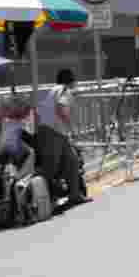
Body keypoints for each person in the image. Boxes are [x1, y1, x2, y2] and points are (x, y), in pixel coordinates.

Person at [35, 69, 86, 205]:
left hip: (53, 131)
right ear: (71, 81)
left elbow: (38, 111)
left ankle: (74, 195)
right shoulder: (65, 91)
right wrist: (71, 127)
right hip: (53, 132)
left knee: (72, 161)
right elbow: (60, 107)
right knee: (50, 168)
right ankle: (46, 201)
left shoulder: (52, 90)